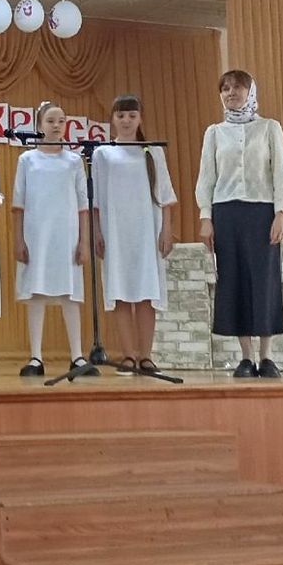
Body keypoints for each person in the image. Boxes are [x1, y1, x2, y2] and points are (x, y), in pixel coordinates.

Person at [196, 70, 283, 379]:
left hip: (262, 212)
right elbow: (207, 177)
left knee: (264, 281)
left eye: (237, 87)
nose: (230, 93)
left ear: (250, 92)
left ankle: (267, 356)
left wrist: (282, 211)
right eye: (225, 88)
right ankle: (246, 357)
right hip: (226, 213)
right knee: (233, 281)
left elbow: (280, 171)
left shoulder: (269, 128)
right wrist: (205, 217)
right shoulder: (214, 132)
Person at [93, 94, 176, 375]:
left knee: (145, 294)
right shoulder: (102, 153)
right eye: (120, 116)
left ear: (140, 118)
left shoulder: (153, 151)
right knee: (120, 293)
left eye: (131, 115)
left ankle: (146, 355)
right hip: (115, 231)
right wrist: (97, 232)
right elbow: (96, 200)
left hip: (146, 231)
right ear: (112, 119)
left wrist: (166, 229)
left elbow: (165, 195)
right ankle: (128, 355)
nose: (126, 121)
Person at [13, 101, 93, 378]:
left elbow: (83, 205)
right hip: (36, 235)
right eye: (50, 121)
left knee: (70, 294)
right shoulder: (27, 160)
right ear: (39, 125)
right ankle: (35, 356)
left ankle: (77, 356)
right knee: (36, 293)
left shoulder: (74, 161)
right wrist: (18, 240)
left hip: (67, 235)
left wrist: (83, 242)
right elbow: (18, 204)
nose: (56, 126)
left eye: (61, 121)